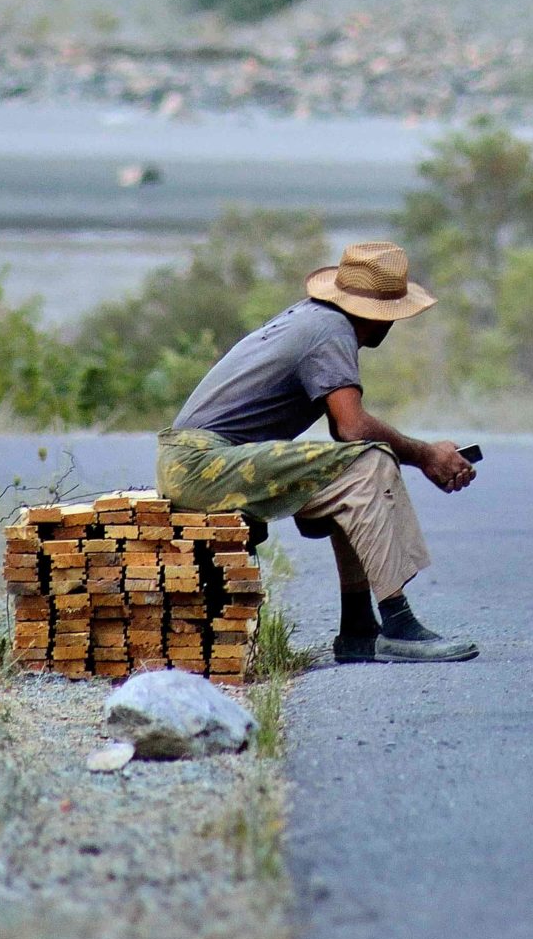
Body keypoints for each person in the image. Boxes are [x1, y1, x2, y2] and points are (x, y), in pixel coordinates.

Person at [156, 238, 479, 663]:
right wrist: (427, 456)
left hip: (197, 463)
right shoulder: (330, 330)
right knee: (370, 461)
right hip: (201, 465)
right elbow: (353, 428)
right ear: (380, 316)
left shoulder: (316, 320)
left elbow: (343, 435)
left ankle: (359, 632)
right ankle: (398, 624)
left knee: (349, 471)